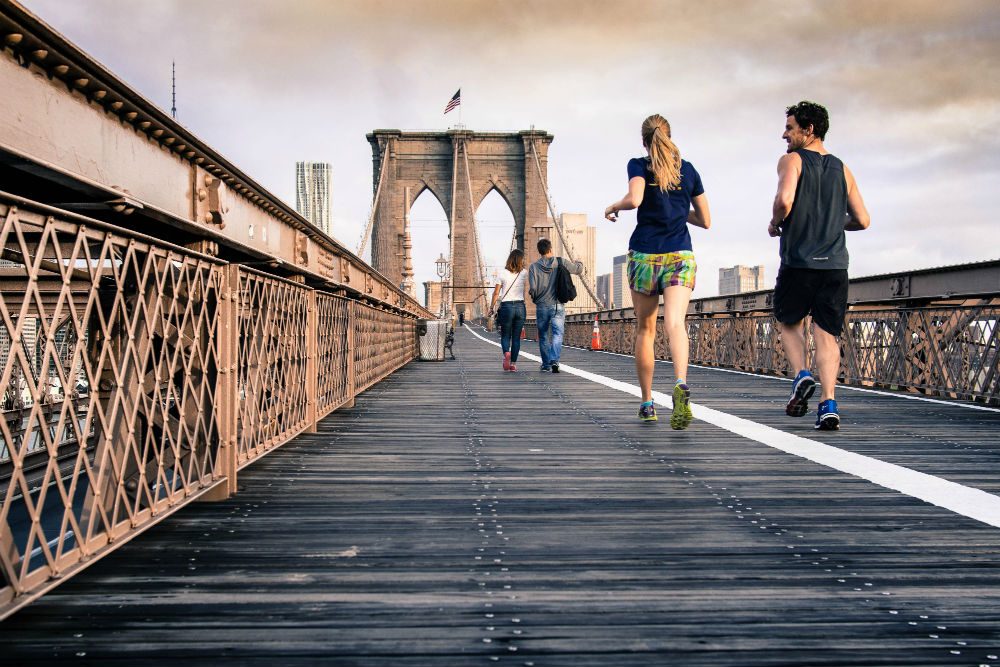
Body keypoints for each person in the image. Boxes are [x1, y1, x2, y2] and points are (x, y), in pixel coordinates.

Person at [768, 101, 870, 430]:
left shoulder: (792, 160)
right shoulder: (844, 168)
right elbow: (863, 220)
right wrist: (832, 223)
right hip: (835, 266)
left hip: (799, 261)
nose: (784, 134)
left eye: (790, 127)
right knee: (827, 336)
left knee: (788, 322)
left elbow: (784, 201)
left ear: (808, 130)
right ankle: (828, 404)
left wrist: (775, 222)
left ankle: (801, 375)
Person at [604, 114, 711, 429]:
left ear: (644, 140)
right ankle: (680, 382)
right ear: (669, 135)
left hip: (645, 255)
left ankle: (648, 403)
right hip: (680, 254)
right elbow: (705, 220)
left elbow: (635, 199)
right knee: (676, 324)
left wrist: (612, 206)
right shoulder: (688, 170)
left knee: (646, 330)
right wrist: (679, 211)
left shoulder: (638, 165)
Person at [528, 238, 583, 373]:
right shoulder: (560, 262)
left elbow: (533, 289)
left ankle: (546, 364)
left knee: (543, 335)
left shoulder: (533, 267)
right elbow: (578, 270)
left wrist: (536, 299)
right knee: (558, 333)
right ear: (550, 249)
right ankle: (555, 360)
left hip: (542, 305)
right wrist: (579, 261)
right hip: (558, 305)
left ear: (539, 251)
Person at [489, 249, 528, 372]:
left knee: (505, 335)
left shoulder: (502, 273)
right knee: (516, 338)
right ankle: (513, 364)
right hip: (520, 307)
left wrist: (491, 308)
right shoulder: (525, 273)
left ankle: (506, 353)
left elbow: (496, 293)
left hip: (506, 307)